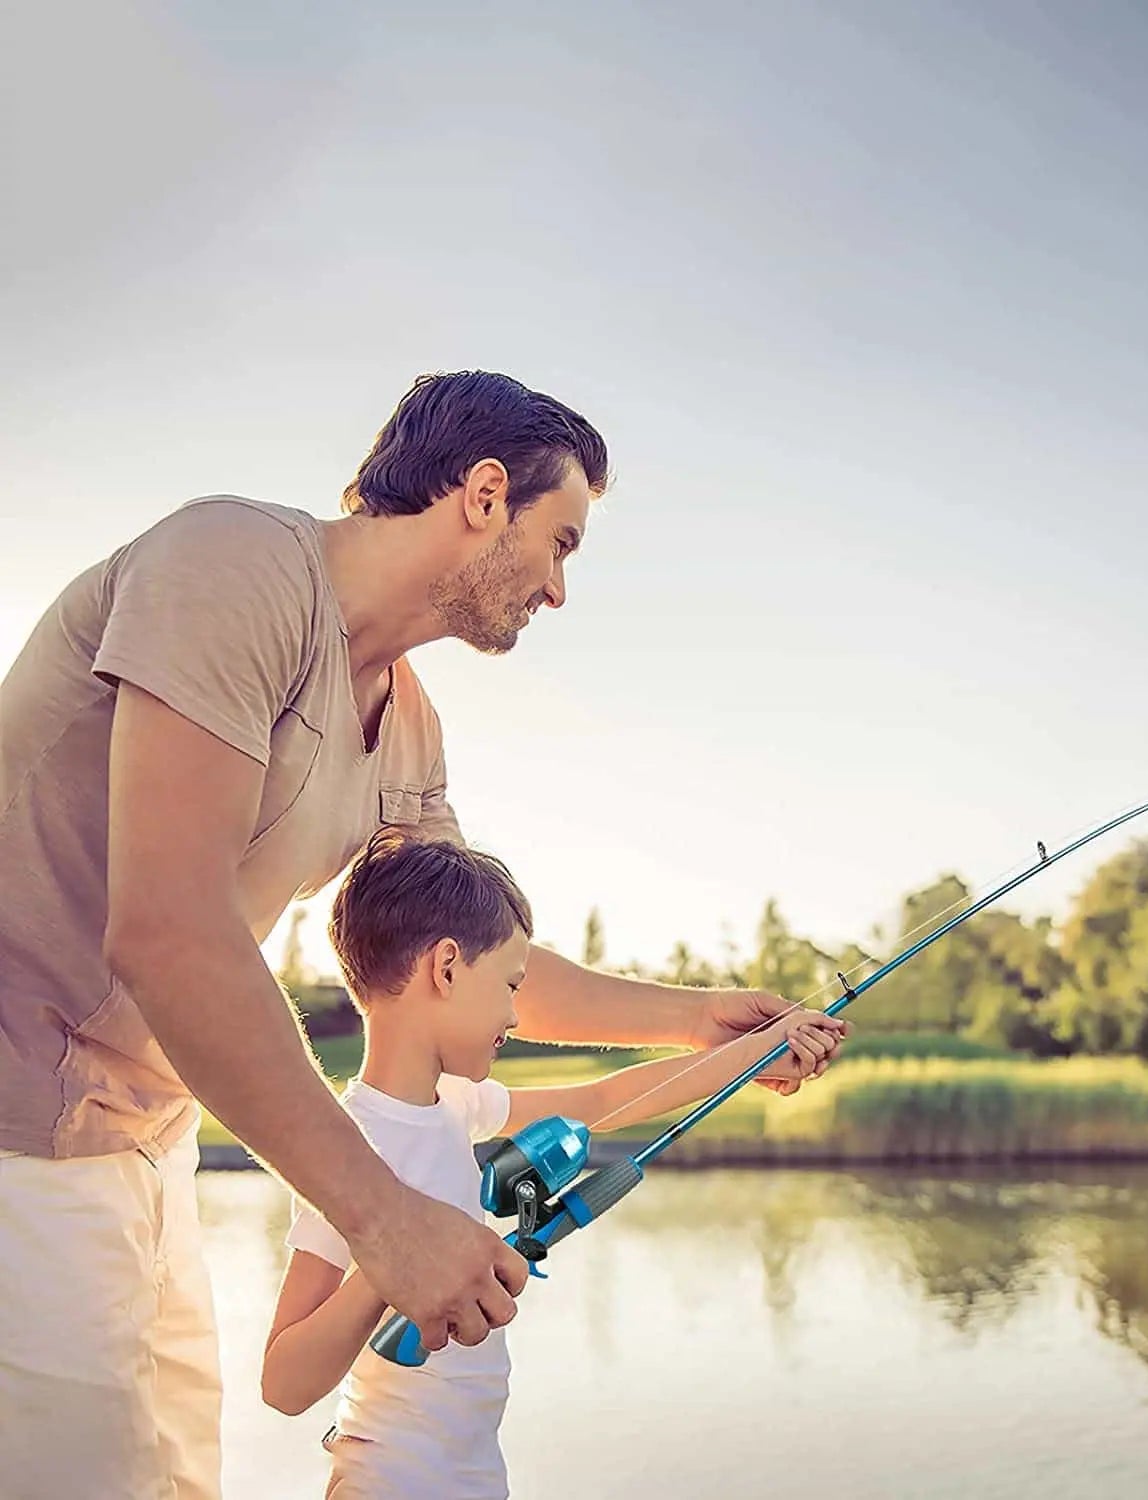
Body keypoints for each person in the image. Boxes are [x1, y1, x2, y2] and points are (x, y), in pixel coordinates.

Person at [0, 370, 846, 1499]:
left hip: (142, 1139)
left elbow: (474, 963)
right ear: (485, 495)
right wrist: (385, 1219)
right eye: (562, 542)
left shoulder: (409, 727)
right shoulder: (231, 568)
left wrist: (701, 1022)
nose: (558, 588)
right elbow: (168, 929)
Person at [261, 831, 842, 1497]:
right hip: (390, 1479)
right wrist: (391, 1262)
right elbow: (284, 1382)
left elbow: (604, 1099)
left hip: (473, 1474)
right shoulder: (347, 1148)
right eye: (510, 984)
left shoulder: (456, 1103)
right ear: (447, 968)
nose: (515, 1013)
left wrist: (755, 1054)